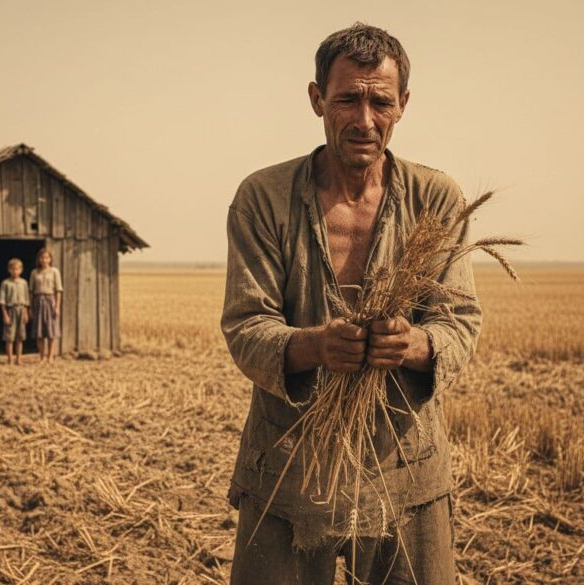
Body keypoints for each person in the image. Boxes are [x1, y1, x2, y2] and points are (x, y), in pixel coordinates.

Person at [221, 23, 482, 585]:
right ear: (317, 99)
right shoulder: (263, 199)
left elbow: (459, 321)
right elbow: (246, 325)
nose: (365, 119)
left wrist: (414, 344)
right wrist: (313, 345)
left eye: (380, 101)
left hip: (406, 470)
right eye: (347, 98)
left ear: (402, 105)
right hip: (288, 470)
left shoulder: (436, 199)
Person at [29, 247, 63, 363]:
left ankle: (50, 356)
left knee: (51, 330)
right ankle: (42, 356)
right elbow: (31, 291)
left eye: (47, 258)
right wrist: (30, 308)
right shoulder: (34, 272)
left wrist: (57, 306)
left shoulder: (55, 271)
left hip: (50, 300)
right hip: (38, 301)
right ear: (39, 259)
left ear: (50, 259)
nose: (44, 260)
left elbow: (58, 290)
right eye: (42, 258)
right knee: (39, 331)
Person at [0, 258, 30, 365]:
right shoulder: (5, 283)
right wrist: (5, 314)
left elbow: (26, 299)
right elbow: (2, 300)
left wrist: (26, 313)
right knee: (9, 336)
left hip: (21, 309)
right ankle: (10, 359)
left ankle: (19, 359)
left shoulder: (24, 283)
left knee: (20, 336)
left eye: (17, 269)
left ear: (21, 270)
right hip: (10, 310)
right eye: (13, 269)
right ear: (9, 270)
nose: (15, 271)